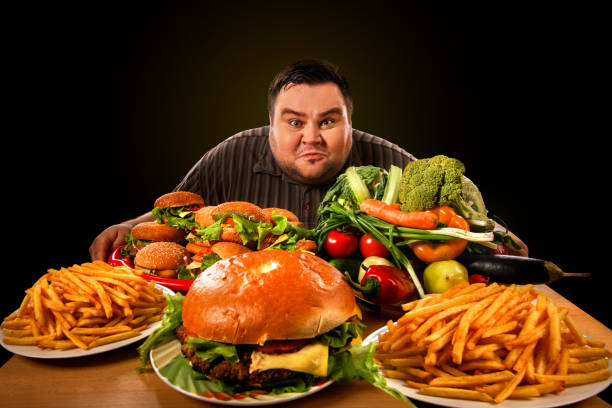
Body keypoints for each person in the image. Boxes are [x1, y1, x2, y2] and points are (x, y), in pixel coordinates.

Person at [89, 59, 527, 261]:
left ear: (351, 123)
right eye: (295, 122)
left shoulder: (389, 161)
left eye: (329, 121)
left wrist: (501, 236)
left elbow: (454, 214)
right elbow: (176, 214)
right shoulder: (231, 154)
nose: (311, 137)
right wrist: (128, 226)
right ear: (271, 124)